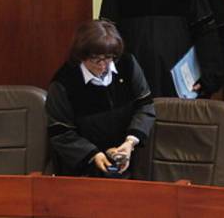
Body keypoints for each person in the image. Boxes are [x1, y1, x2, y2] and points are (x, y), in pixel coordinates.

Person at [46, 20, 155, 177]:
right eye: (95, 59)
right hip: (83, 169)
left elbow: (145, 105)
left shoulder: (127, 65)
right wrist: (94, 154)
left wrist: (130, 142)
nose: (103, 65)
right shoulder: (63, 83)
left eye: (108, 58)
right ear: (81, 55)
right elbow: (60, 132)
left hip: (128, 158)